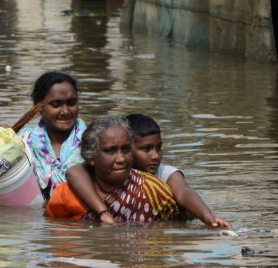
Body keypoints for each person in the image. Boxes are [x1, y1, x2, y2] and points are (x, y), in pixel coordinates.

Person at [65, 113, 232, 229]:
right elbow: (74, 172)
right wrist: (103, 212)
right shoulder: (107, 170)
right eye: (146, 149)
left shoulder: (164, 174)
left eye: (159, 148)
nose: (155, 156)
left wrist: (207, 216)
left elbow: (184, 192)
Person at [46, 115, 187, 223]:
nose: (121, 159)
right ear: (91, 158)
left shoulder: (154, 191)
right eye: (110, 151)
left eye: (126, 149)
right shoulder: (66, 195)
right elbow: (52, 233)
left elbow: (181, 226)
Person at [19, 71, 86, 200]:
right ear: (38, 107)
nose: (65, 111)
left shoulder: (93, 141)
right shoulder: (23, 143)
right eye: (56, 105)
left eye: (71, 103)